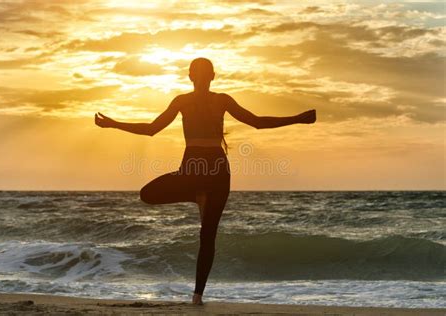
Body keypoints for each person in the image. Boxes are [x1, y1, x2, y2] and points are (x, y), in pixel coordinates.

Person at [94, 57, 316, 305]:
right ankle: (195, 194)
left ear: (213, 76)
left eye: (205, 72)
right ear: (190, 77)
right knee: (147, 194)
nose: (200, 76)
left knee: (207, 235)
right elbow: (151, 129)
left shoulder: (222, 100)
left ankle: (197, 296)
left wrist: (296, 118)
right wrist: (113, 125)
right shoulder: (182, 101)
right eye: (196, 72)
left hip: (218, 171)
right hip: (190, 170)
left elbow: (256, 122)